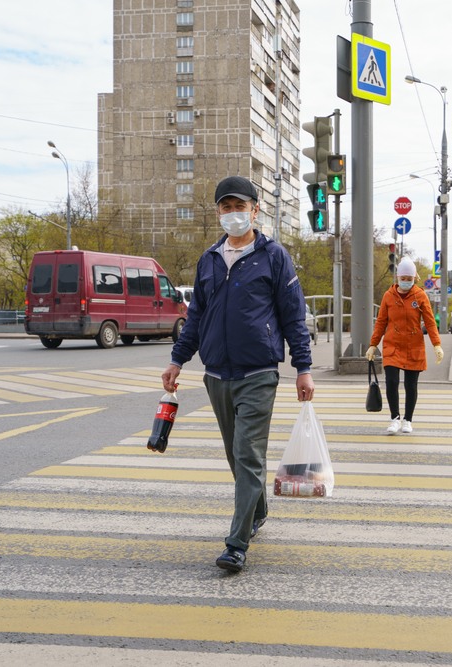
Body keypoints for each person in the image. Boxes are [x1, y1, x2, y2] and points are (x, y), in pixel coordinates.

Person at [161, 175, 314, 573]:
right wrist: (178, 360)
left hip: (258, 372)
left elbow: (293, 316)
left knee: (247, 454)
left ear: (254, 210)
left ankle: (236, 544)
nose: (233, 214)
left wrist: (303, 368)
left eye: (239, 207)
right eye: (226, 208)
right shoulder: (209, 259)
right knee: (236, 454)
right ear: (218, 213)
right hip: (216, 375)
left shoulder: (274, 256)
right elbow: (196, 317)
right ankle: (257, 510)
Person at [366, 257, 443, 435]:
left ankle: (408, 419)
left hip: (414, 345)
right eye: (403, 278)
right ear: (398, 278)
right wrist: (373, 344)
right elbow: (381, 322)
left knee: (411, 384)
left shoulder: (420, 296)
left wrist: (437, 344)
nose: (406, 281)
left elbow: (430, 322)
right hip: (392, 345)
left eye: (409, 279)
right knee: (391, 381)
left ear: (414, 278)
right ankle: (395, 418)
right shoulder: (388, 296)